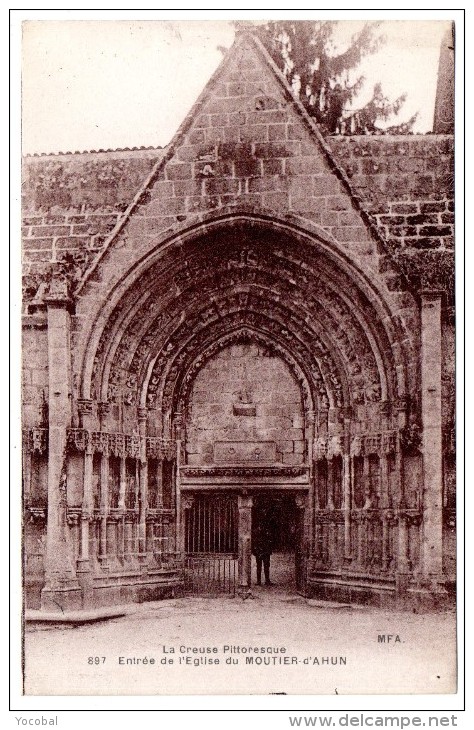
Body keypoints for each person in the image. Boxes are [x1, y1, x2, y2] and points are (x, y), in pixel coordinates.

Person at [252, 521, 274, 586]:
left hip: (263, 552)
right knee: (262, 566)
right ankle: (263, 580)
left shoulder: (257, 532)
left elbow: (270, 542)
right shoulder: (261, 532)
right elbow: (254, 542)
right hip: (262, 552)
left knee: (263, 566)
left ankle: (263, 581)